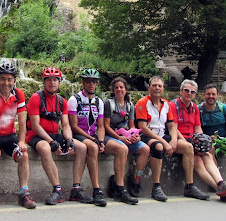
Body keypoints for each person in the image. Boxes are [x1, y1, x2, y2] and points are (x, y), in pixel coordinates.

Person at [68, 70, 138, 205]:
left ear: (97, 83)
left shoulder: (99, 101)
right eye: (88, 81)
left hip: (95, 136)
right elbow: (74, 126)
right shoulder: (74, 99)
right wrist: (94, 140)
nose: (91, 84)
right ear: (83, 82)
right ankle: (97, 190)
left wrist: (100, 140)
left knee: (122, 149)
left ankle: (120, 189)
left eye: (94, 81)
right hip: (79, 135)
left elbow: (101, 127)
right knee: (93, 148)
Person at [134, 76, 209, 202]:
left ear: (163, 89)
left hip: (163, 135)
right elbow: (143, 128)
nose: (157, 88)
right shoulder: (142, 103)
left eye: (159, 86)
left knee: (188, 147)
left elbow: (172, 125)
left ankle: (189, 186)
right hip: (147, 135)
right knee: (158, 147)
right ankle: (156, 186)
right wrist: (164, 142)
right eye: (154, 85)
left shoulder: (166, 104)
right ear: (149, 88)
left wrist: (174, 140)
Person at [26, 67, 90, 205]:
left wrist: (69, 140)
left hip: (55, 134)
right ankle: (58, 190)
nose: (52, 82)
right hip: (36, 135)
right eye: (48, 80)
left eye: (55, 79)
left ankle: (76, 189)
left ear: (59, 82)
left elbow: (66, 125)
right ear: (43, 82)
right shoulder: (35, 98)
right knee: (44, 148)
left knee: (82, 148)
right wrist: (51, 142)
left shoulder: (61, 101)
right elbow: (35, 125)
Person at [170, 80, 226, 201]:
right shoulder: (173, 105)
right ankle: (197, 187)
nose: (189, 93)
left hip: (191, 138)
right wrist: (188, 141)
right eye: (186, 90)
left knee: (206, 154)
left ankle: (221, 186)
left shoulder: (194, 108)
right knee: (192, 152)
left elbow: (197, 127)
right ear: (181, 91)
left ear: (195, 94)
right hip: (178, 137)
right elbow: (173, 127)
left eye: (192, 92)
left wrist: (202, 140)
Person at [0, 62, 37, 210]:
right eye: (3, 79)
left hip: (9, 135)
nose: (6, 83)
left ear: (14, 81)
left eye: (9, 79)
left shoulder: (18, 95)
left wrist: (21, 141)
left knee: (23, 155)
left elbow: (22, 120)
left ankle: (23, 192)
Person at [103, 77, 151, 200]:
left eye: (121, 87)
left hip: (123, 136)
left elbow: (131, 126)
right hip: (110, 136)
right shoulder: (109, 103)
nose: (119, 90)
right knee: (122, 148)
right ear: (113, 90)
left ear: (126, 89)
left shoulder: (130, 105)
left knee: (145, 149)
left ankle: (136, 179)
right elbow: (106, 126)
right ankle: (119, 187)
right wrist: (119, 138)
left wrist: (135, 136)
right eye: (116, 87)